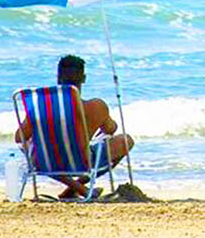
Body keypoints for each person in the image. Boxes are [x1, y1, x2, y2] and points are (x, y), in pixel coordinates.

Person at [14, 55, 134, 199]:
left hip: (45, 161)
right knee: (126, 141)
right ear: (84, 78)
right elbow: (111, 129)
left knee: (30, 146)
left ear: (58, 78)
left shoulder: (41, 106)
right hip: (82, 161)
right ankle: (79, 187)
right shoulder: (96, 106)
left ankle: (74, 188)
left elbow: (19, 137)